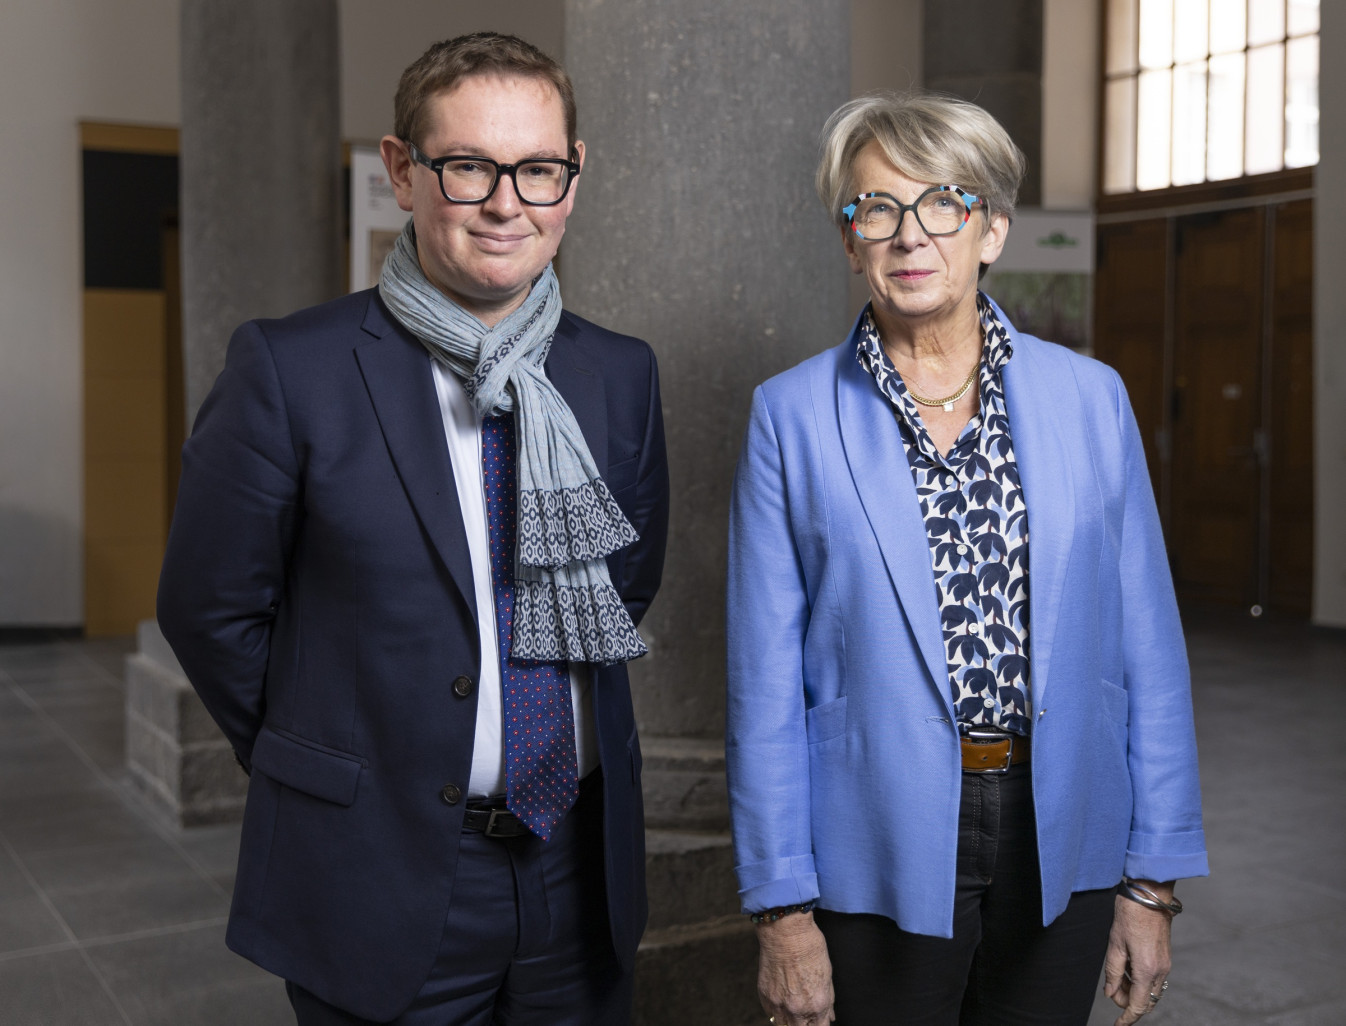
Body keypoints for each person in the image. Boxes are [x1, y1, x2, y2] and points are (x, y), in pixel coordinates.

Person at [157, 32, 668, 1026]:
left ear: (573, 178)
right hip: (375, 872)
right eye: (469, 165)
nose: (505, 201)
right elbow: (209, 609)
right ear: (402, 170)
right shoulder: (290, 370)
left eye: (538, 169)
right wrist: (324, 759)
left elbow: (626, 581)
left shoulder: (618, 374)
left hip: (577, 873)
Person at [725, 92, 1207, 1026]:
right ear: (850, 238)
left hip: (1061, 823)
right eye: (877, 209)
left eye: (943, 203)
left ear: (991, 230)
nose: (911, 236)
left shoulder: (1091, 399)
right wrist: (782, 910)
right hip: (871, 834)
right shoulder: (789, 417)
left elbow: (1148, 650)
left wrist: (1151, 883)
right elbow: (763, 681)